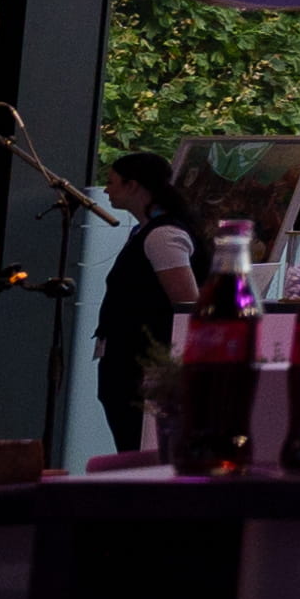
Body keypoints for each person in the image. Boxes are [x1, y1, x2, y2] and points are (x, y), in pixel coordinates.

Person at [90, 151, 193, 457]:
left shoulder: (162, 236)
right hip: (130, 360)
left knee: (137, 445)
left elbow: (187, 303)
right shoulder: (145, 232)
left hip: (143, 364)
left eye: (111, 182)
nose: (106, 190)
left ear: (133, 186)